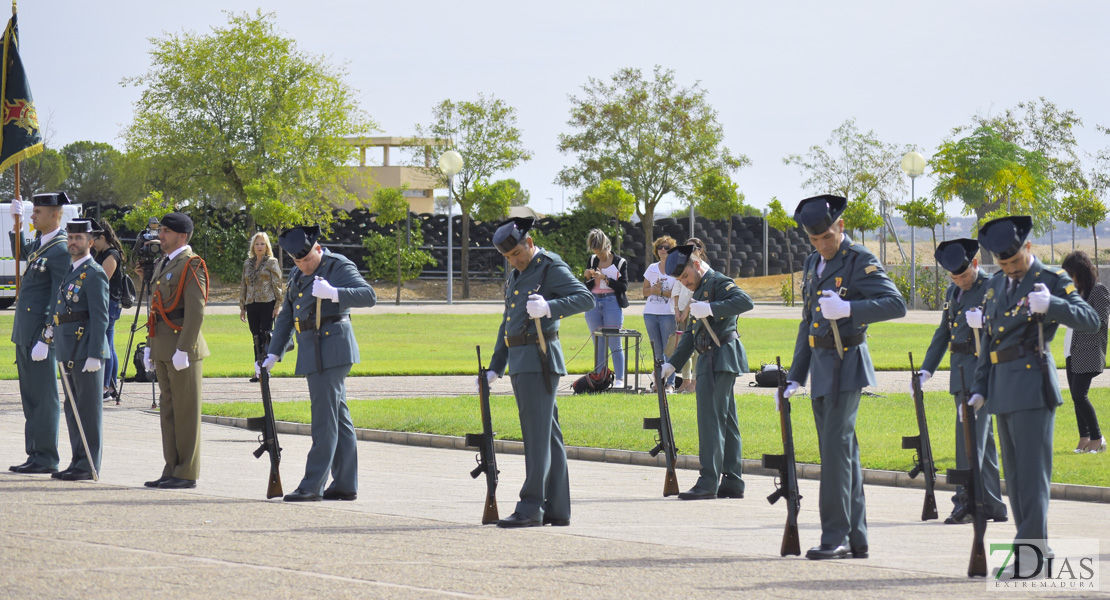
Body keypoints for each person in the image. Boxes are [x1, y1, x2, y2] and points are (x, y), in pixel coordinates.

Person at [777, 194, 906, 560]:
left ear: (841, 227)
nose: (821, 245)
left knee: (834, 453)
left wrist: (851, 308)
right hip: (820, 367)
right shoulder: (813, 262)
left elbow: (895, 304)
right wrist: (795, 376)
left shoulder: (859, 259)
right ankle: (857, 537)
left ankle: (833, 535)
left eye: (827, 238)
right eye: (815, 240)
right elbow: (809, 323)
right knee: (843, 453)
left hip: (847, 366)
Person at [966, 216, 1098, 566]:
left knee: (1032, 476)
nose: (1009, 268)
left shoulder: (1051, 280)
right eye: (1002, 263)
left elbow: (1090, 320)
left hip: (1032, 386)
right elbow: (989, 343)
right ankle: (1033, 549)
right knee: (1015, 479)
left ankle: (1031, 554)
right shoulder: (995, 286)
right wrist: (979, 388)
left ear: (1028, 248)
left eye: (1014, 261)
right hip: (1001, 388)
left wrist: (1052, 305)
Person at [481, 217, 594, 527]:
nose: (513, 261)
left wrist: (549, 308)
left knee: (535, 438)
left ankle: (530, 507)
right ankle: (557, 508)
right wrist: (495, 366)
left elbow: (586, 298)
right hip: (520, 360)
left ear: (529, 243)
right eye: (507, 258)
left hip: (539, 359)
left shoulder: (549, 266)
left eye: (517, 253)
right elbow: (508, 323)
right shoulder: (519, 274)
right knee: (548, 437)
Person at [259, 225, 377, 502]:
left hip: (333, 348)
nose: (304, 265)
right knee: (338, 418)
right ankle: (346, 483)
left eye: (308, 259)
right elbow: (288, 315)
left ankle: (313, 484)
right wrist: (273, 354)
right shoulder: (297, 273)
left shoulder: (337, 266)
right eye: (298, 261)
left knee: (323, 421)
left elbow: (369, 296)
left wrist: (335, 293)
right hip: (313, 349)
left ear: (318, 249)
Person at [916, 239, 1007, 524]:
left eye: (964, 275)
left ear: (976, 265)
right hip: (961, 375)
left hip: (981, 374)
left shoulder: (992, 287)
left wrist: (987, 321)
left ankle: (965, 501)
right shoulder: (952, 292)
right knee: (983, 441)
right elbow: (942, 333)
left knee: (967, 440)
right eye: (954, 277)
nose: (960, 281)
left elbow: (1009, 321)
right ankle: (992, 504)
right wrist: (926, 370)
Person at [660, 244, 753, 500]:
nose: (685, 283)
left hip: (719, 356)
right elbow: (690, 334)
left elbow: (745, 302)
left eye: (686, 277)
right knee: (727, 421)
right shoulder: (699, 288)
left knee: (710, 421)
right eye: (681, 281)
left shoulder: (719, 282)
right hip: (711, 357)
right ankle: (733, 480)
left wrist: (712, 308)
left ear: (697, 265)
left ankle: (708, 481)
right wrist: (672, 365)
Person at [142, 212, 210, 490]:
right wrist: (150, 346)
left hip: (182, 349)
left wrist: (184, 348)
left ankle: (186, 472)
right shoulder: (165, 263)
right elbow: (155, 309)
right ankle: (171, 467)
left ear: (182, 235)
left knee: (185, 413)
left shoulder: (191, 264)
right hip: (163, 347)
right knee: (168, 412)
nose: (161, 236)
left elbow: (196, 311)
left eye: (167, 232)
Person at [7, 192, 71, 474]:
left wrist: (47, 336)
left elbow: (60, 296)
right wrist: (16, 225)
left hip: (39, 335)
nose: (33, 216)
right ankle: (35, 452)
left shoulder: (60, 249)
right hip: (25, 332)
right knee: (30, 396)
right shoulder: (44, 244)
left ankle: (46, 456)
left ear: (56, 214)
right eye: (32, 212)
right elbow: (22, 254)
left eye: (38, 212)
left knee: (44, 397)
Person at [52, 219, 110, 480]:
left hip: (86, 349)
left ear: (90, 241)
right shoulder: (71, 269)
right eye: (70, 237)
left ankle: (88, 465)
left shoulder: (94, 272)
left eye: (79, 237)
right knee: (72, 407)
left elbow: (100, 317)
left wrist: (96, 353)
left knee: (87, 409)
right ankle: (77, 461)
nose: (73, 242)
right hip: (68, 347)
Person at [1061, 251, 1108, 453]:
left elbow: (1102, 322)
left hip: (1089, 352)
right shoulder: (1073, 291)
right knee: (1075, 396)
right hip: (1071, 350)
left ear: (1081, 271)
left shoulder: (1098, 291)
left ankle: (1098, 438)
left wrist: (1077, 317)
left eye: (1071, 273)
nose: (1069, 278)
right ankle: (1084, 438)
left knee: (1080, 395)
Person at [582, 228, 628, 387]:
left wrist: (606, 278)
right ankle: (600, 377)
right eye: (596, 252)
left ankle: (620, 379)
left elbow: (623, 287)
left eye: (601, 253)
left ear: (608, 246)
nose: (599, 256)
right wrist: (588, 277)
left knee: (615, 342)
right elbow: (587, 285)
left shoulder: (620, 262)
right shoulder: (593, 259)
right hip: (593, 301)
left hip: (611, 302)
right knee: (598, 342)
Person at [240, 231, 284, 382]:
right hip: (251, 303)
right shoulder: (247, 263)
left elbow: (277, 285)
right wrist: (242, 307)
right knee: (256, 337)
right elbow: (243, 286)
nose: (259, 247)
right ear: (253, 246)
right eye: (257, 244)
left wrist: (278, 305)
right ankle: (258, 370)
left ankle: (265, 370)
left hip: (267, 303)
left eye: (262, 244)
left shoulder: (272, 262)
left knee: (265, 336)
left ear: (267, 246)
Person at [92, 220, 125, 400]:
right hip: (106, 303)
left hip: (109, 303)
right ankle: (110, 386)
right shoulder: (102, 253)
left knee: (107, 345)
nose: (92, 243)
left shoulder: (111, 255)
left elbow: (102, 280)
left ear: (102, 237)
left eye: (94, 239)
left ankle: (106, 387)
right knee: (108, 344)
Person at [643, 236, 678, 392]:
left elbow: (676, 293)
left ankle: (670, 383)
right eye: (660, 247)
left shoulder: (676, 268)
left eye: (667, 248)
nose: (663, 250)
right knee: (657, 351)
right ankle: (658, 383)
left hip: (668, 314)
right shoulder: (651, 268)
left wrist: (661, 292)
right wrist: (653, 290)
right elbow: (644, 291)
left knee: (668, 350)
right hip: (650, 313)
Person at [673, 238, 707, 393]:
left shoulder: (703, 270)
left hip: (695, 312)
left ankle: (695, 380)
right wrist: (676, 310)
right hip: (681, 313)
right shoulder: (681, 267)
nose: (690, 250)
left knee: (697, 350)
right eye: (686, 248)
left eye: (693, 248)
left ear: (700, 250)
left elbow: (696, 293)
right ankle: (685, 379)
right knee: (683, 346)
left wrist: (687, 310)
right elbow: (677, 289)